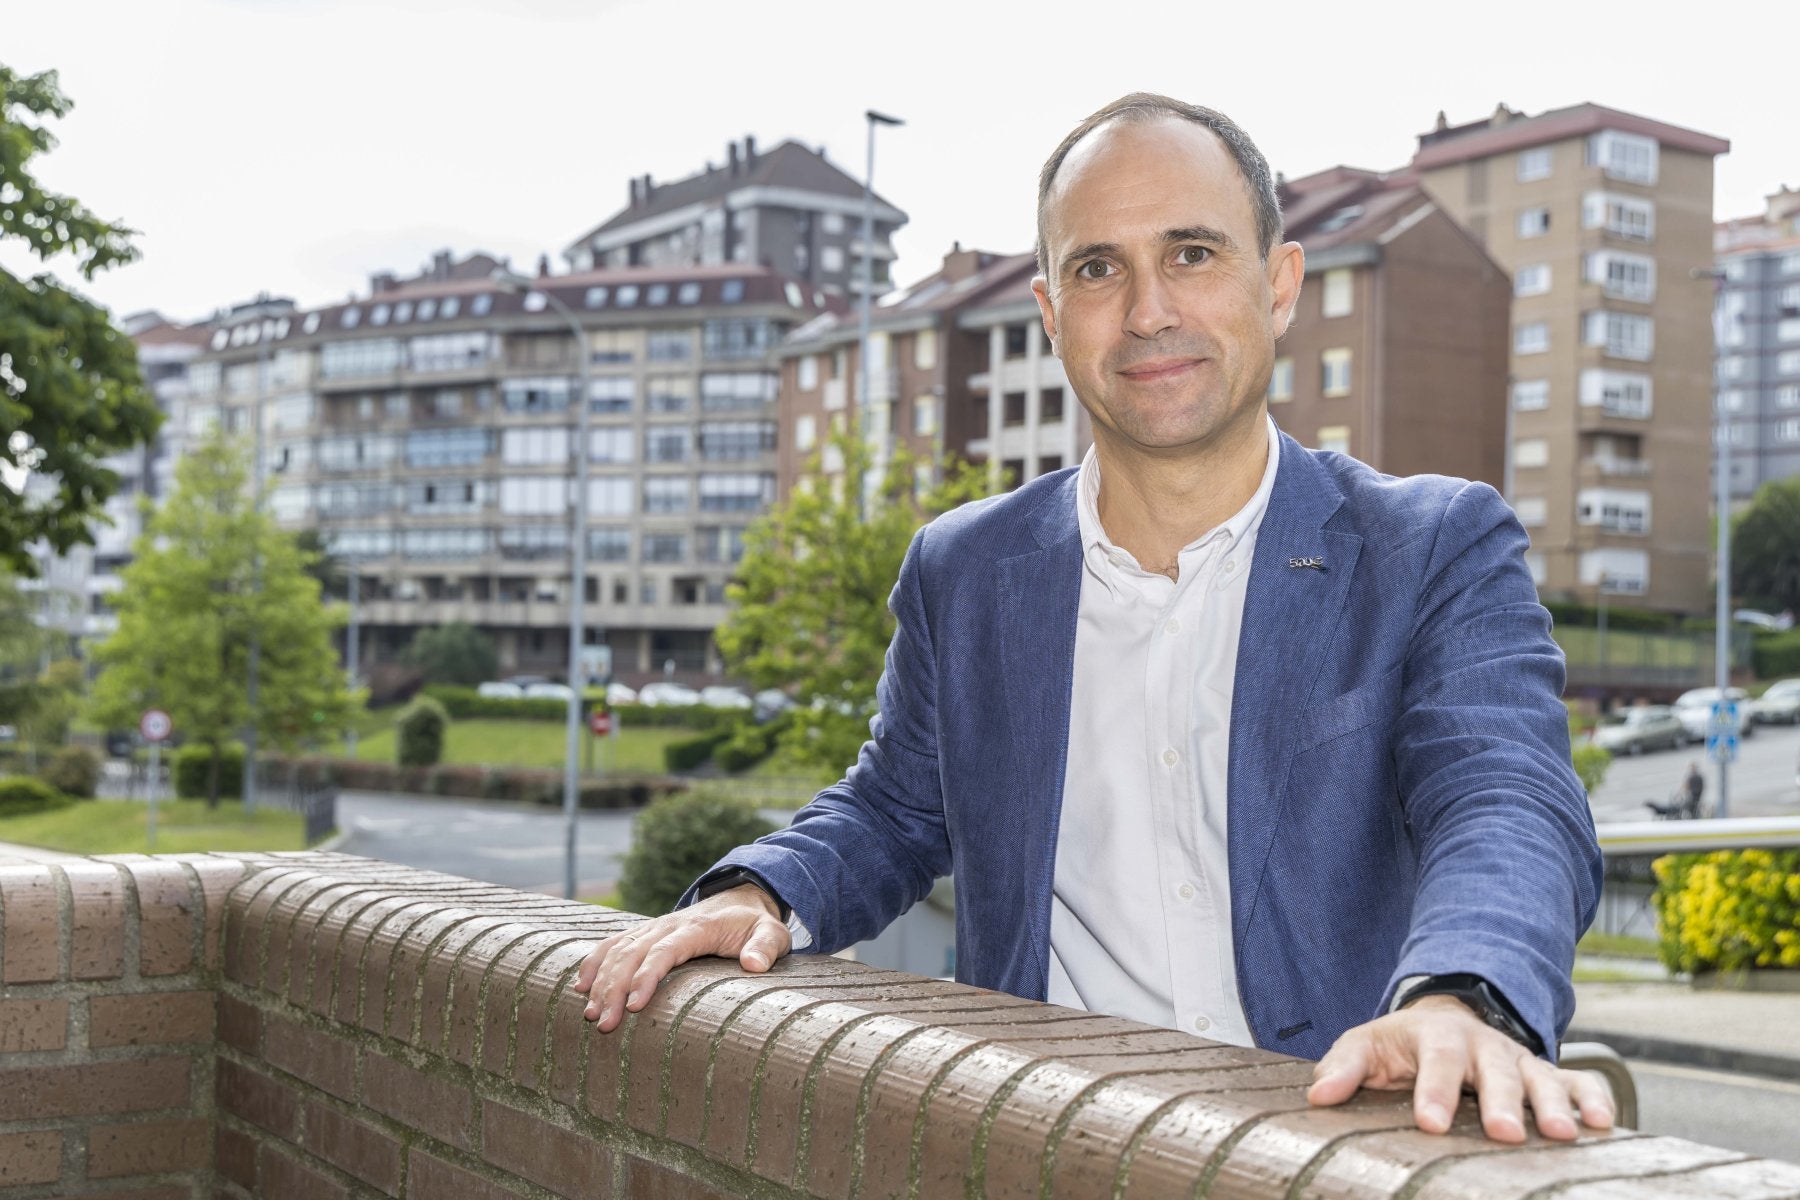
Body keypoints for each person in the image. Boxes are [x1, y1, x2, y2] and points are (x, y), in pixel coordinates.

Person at [576, 93, 1612, 1144]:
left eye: (1194, 253)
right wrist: (757, 896)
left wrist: (1461, 994)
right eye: (1098, 268)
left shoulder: (1432, 545)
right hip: (1051, 1147)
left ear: (1280, 285)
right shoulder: (965, 569)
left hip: (1340, 1140)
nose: (1149, 309)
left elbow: (1506, 798)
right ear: (1050, 312)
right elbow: (895, 809)